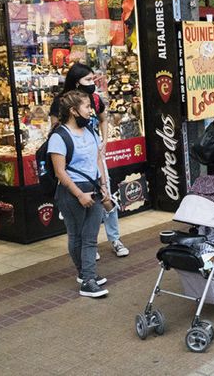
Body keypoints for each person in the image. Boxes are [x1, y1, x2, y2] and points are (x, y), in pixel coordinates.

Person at [50, 63, 129, 258]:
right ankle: (88, 247)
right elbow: (54, 130)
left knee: (106, 196)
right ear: (77, 82)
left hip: (94, 156)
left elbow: (103, 119)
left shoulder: (94, 99)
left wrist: (104, 141)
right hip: (74, 163)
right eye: (88, 80)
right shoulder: (62, 102)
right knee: (82, 206)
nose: (92, 83)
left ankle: (114, 238)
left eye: (93, 79)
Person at [49, 91, 110, 298]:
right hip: (71, 193)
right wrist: (79, 195)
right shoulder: (59, 136)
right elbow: (60, 172)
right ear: (73, 111)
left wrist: (103, 187)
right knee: (77, 236)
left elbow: (97, 160)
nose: (90, 112)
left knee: (90, 237)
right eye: (86, 108)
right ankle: (86, 278)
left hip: (93, 189)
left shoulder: (91, 131)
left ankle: (88, 275)